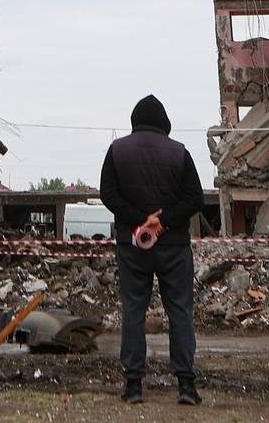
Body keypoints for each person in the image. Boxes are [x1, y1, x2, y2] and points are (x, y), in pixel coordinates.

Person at [99, 95, 205, 406]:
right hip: (173, 247)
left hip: (132, 247)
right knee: (180, 312)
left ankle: (133, 386)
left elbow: (108, 194)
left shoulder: (117, 150)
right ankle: (186, 385)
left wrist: (138, 221)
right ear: (164, 124)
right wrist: (163, 222)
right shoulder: (179, 153)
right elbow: (195, 198)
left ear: (135, 121)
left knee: (133, 310)